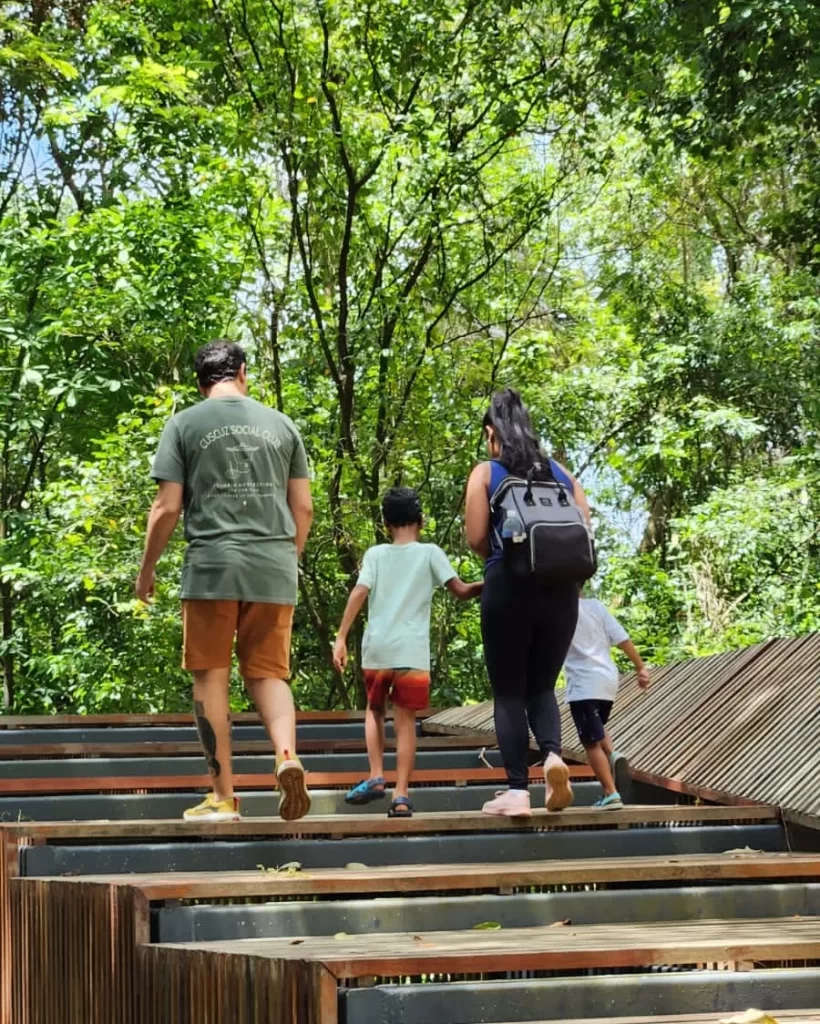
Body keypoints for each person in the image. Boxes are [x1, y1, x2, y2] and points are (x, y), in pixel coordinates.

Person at [135, 340, 314, 823]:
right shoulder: (283, 426)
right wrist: (284, 556)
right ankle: (286, 757)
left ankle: (223, 797)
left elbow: (167, 507)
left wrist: (147, 570)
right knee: (268, 674)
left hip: (212, 568)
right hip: (273, 566)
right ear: (242, 373)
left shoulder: (184, 424)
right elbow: (304, 508)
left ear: (200, 383)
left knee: (211, 675)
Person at [464, 388, 592, 818]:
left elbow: (477, 539)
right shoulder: (563, 475)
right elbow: (583, 535)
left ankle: (518, 790)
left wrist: (510, 563)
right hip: (561, 593)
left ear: (491, 432)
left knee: (508, 692)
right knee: (542, 686)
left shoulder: (487, 472)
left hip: (509, 586)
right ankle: (554, 758)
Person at [332, 487, 482, 818]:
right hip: (412, 651)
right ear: (421, 520)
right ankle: (400, 795)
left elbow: (359, 591)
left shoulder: (375, 554)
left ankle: (375, 775)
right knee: (406, 722)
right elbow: (460, 590)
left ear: (386, 523)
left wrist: (341, 637)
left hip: (378, 647)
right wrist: (490, 582)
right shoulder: (430, 552)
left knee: (374, 711)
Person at [564, 588, 650, 808]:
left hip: (583, 683)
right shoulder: (596, 607)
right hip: (607, 681)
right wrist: (641, 668)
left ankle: (611, 793)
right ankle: (613, 754)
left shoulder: (559, 610)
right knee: (597, 726)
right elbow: (622, 639)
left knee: (590, 742)